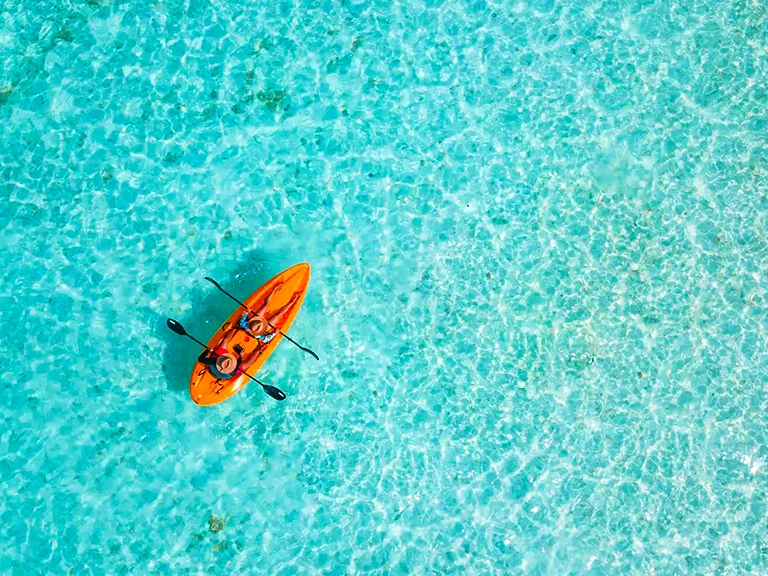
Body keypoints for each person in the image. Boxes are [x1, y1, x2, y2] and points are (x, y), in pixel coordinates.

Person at [198, 282, 300, 379]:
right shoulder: (261, 336)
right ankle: (291, 301)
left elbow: (201, 359)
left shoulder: (246, 325)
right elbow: (267, 338)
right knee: (278, 314)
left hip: (252, 327)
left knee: (265, 306)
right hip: (255, 330)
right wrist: (240, 356)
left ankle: (275, 290)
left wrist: (209, 350)